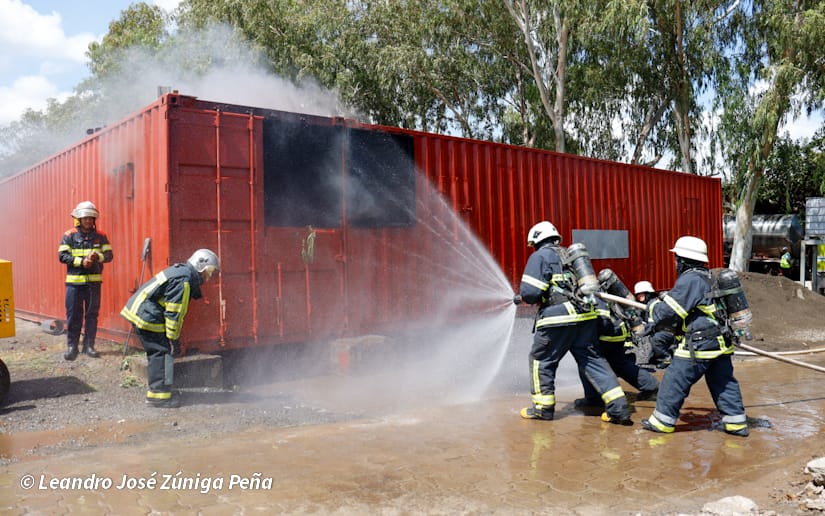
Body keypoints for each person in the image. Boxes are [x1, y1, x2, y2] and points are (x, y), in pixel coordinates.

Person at [515, 221, 631, 424]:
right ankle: (619, 408)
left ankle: (543, 408)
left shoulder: (540, 256)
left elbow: (531, 293)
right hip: (585, 317)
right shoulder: (569, 256)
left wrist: (524, 295)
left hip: (557, 318)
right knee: (594, 360)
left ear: (537, 241)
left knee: (541, 360)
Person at [641, 236, 748, 436]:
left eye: (676, 259)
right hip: (720, 343)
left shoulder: (690, 279)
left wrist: (653, 306)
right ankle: (737, 424)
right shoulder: (707, 276)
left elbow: (669, 313)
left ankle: (661, 422)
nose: (675, 263)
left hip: (700, 344)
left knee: (674, 380)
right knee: (724, 383)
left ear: (683, 260)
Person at [120, 249, 220, 408]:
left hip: (143, 310)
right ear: (201, 266)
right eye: (210, 271)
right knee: (161, 352)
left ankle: (160, 391)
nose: (210, 277)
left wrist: (172, 338)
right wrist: (174, 339)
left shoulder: (182, 273)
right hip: (146, 314)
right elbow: (174, 313)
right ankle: (158, 397)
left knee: (159, 351)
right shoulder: (184, 281)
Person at [575, 296, 659, 408]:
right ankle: (652, 388)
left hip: (605, 336)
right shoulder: (601, 290)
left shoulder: (590, 294)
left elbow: (601, 320)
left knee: (587, 363)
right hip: (617, 333)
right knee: (620, 363)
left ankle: (593, 399)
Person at [58, 201, 114, 360]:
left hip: (93, 284)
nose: (88, 221)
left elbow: (109, 256)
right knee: (73, 315)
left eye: (91, 218)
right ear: (79, 219)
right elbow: (62, 256)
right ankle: (72, 347)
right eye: (85, 218)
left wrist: (98, 257)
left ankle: (89, 346)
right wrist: (81, 262)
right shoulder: (69, 235)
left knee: (91, 315)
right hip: (74, 284)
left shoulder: (101, 236)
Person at [634, 280, 676, 368]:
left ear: (648, 293)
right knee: (652, 359)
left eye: (641, 294)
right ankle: (665, 354)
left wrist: (641, 333)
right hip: (663, 331)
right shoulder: (649, 304)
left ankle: (666, 358)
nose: (639, 297)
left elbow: (652, 324)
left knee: (655, 339)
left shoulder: (654, 305)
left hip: (668, 332)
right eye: (638, 295)